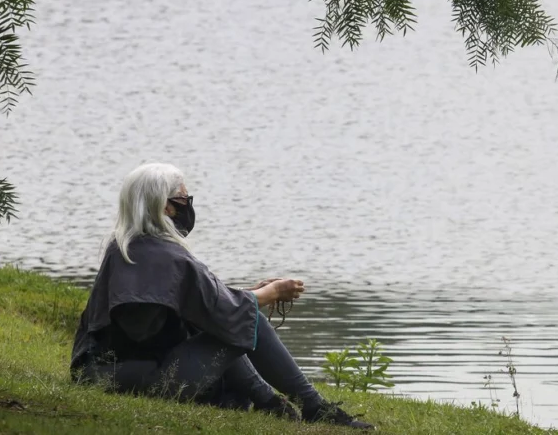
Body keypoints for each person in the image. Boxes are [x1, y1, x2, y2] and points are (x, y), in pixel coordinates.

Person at [70, 163, 373, 430]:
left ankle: (269, 402)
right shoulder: (164, 255)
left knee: (229, 320)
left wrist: (250, 293)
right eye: (183, 199)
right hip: (139, 378)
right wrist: (271, 293)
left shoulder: (126, 247)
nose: (188, 205)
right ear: (165, 207)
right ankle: (313, 407)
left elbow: (200, 303)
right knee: (249, 321)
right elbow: (221, 310)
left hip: (100, 373)